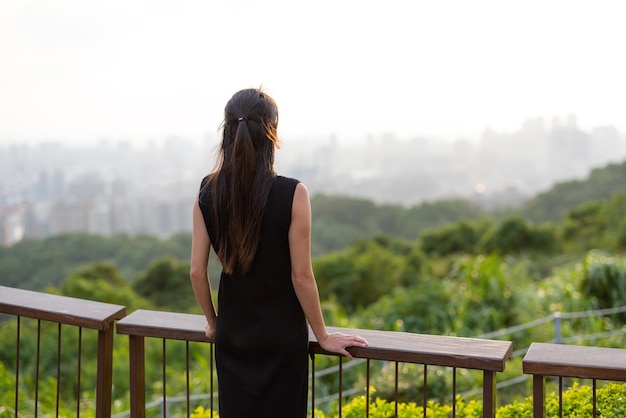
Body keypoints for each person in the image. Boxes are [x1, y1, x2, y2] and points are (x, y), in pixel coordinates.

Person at [189, 88, 368, 417]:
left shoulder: (207, 190)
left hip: (233, 340)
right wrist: (323, 335)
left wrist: (215, 325)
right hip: (282, 342)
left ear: (227, 131)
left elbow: (197, 273)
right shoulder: (292, 193)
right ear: (271, 133)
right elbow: (301, 277)